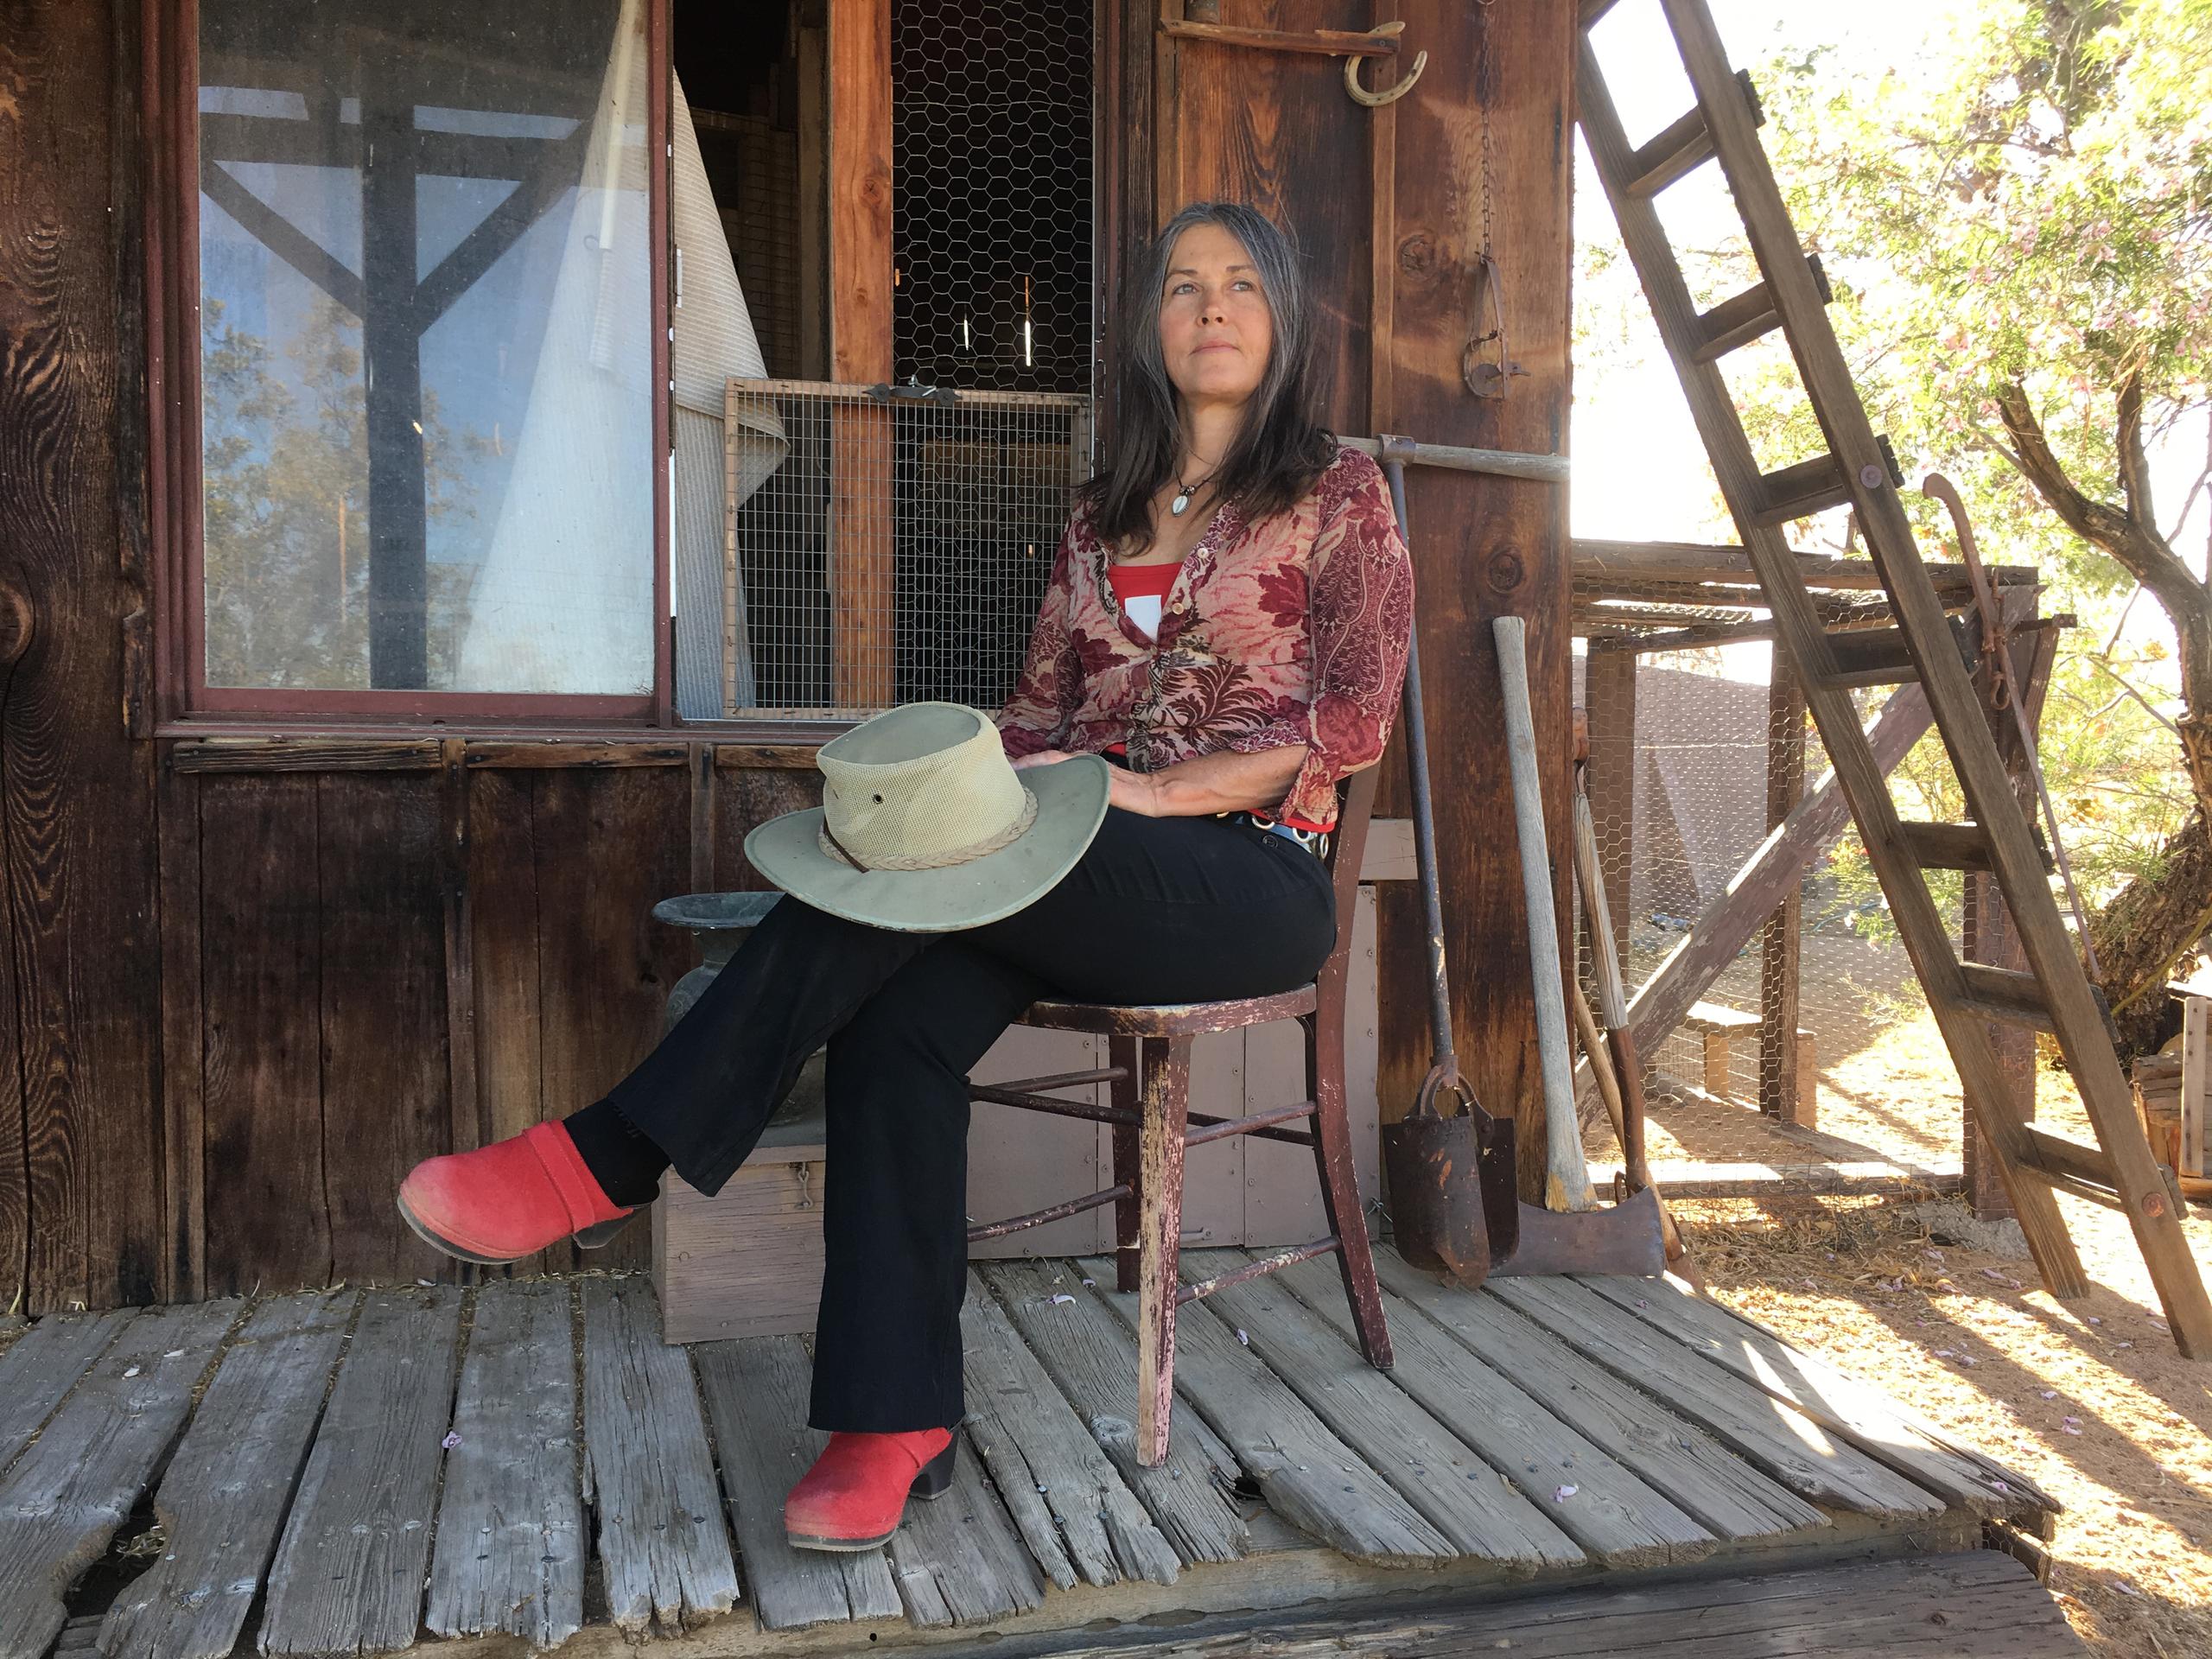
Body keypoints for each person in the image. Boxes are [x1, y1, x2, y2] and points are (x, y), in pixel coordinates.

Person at [396, 200, 1414, 1554]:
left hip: (1243, 880)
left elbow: (1354, 718)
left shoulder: (1337, 492)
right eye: (1180, 287)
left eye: (1238, 285)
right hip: (1070, 857)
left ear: (1281, 315)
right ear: (1150, 326)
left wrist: (1160, 789)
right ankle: (893, 1417)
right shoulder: (1103, 510)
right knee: (895, 1011)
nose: (1210, 307)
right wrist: (907, 774)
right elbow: (1040, 716)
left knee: (928, 899)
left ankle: (609, 1156)